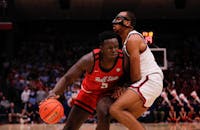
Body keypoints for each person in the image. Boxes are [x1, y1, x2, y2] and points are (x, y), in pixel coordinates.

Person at [46, 31, 125, 130]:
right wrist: (54, 92)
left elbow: (132, 76)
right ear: (101, 48)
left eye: (116, 47)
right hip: (89, 94)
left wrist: (123, 85)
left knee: (104, 113)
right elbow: (68, 78)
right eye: (110, 48)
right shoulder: (89, 60)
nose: (114, 50)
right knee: (70, 127)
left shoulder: (124, 59)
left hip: (108, 94)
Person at [109, 11, 164, 130]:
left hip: (149, 79)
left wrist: (125, 88)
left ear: (127, 23)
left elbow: (136, 75)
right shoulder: (125, 43)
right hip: (150, 82)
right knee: (128, 118)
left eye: (118, 19)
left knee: (115, 109)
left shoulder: (133, 39)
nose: (114, 21)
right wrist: (120, 86)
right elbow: (128, 71)